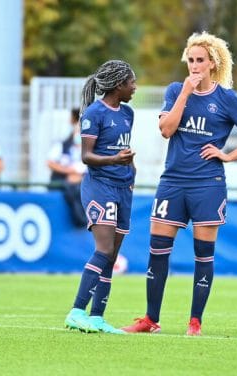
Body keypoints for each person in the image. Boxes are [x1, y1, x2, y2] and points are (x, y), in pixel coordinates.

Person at [121, 32, 237, 335]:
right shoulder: (176, 90)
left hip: (207, 184)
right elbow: (166, 130)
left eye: (201, 60)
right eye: (191, 60)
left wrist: (228, 156)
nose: (195, 66)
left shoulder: (226, 99)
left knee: (203, 253)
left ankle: (195, 322)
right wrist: (186, 94)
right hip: (173, 181)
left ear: (212, 63)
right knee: (157, 249)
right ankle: (150, 319)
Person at [64, 59, 137, 334]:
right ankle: (76, 311)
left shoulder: (128, 113)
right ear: (119, 85)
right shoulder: (94, 113)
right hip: (100, 187)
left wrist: (131, 172)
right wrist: (115, 159)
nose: (135, 87)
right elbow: (86, 156)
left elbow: (124, 149)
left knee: (113, 255)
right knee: (104, 250)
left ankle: (97, 317)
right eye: (132, 82)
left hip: (123, 187)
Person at [47, 108, 88, 227]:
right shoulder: (62, 145)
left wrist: (79, 177)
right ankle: (81, 220)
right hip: (64, 182)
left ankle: (82, 220)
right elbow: (50, 162)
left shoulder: (92, 149)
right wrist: (69, 172)